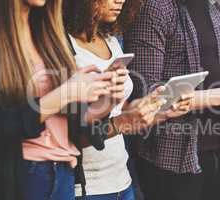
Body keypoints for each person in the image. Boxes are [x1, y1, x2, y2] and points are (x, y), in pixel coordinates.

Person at [0, 0, 126, 200]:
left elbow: (67, 123)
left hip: (64, 172)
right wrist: (66, 93)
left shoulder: (48, 31)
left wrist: (105, 101)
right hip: (22, 175)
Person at [124, 0, 220, 199]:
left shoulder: (217, 6)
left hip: (219, 150)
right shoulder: (155, 7)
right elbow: (147, 96)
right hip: (170, 158)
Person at [63, 0, 193, 199]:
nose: (120, 0)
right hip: (86, 187)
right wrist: (123, 122)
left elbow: (120, 110)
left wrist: (156, 110)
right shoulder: (63, 46)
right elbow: (68, 132)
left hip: (122, 178)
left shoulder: (111, 40)